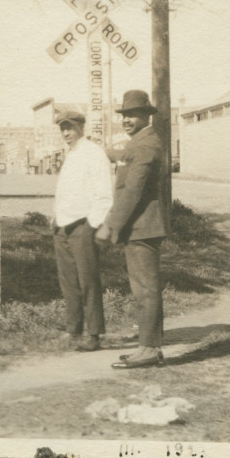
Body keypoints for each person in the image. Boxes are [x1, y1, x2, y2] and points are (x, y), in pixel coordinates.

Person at [95, 90, 171, 369]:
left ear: (146, 116)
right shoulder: (141, 142)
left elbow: (132, 191)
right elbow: (126, 157)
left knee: (145, 291)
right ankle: (150, 346)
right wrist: (105, 151)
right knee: (144, 289)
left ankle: (149, 349)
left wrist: (110, 225)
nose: (126, 120)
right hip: (140, 228)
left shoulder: (145, 145)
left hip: (143, 228)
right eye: (124, 115)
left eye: (132, 115)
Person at [51, 111, 114, 352]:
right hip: (62, 226)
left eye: (70, 127)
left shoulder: (94, 154)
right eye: (62, 128)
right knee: (68, 281)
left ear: (81, 127)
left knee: (88, 280)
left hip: (82, 227)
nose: (66, 133)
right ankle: (73, 330)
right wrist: (55, 216)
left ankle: (94, 334)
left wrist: (92, 225)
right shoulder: (71, 154)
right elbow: (66, 191)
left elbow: (104, 195)